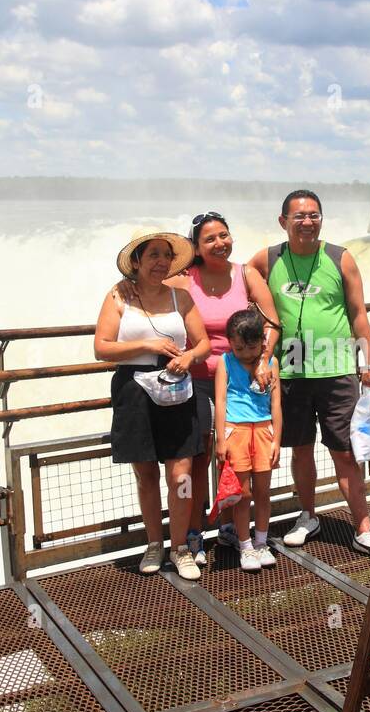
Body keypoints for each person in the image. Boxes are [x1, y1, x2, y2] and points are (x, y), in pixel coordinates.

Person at [247, 190, 370, 557]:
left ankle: (364, 526)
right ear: (283, 222)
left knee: (345, 453)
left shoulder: (340, 258)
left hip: (336, 371)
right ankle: (308, 515)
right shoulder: (268, 258)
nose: (307, 222)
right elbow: (234, 281)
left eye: (314, 215)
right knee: (300, 450)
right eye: (299, 216)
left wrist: (368, 364)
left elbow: (358, 314)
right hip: (288, 374)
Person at [164, 212, 280, 566]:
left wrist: (263, 360)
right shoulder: (185, 280)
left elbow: (273, 322)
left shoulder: (247, 274)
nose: (220, 243)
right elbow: (157, 299)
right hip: (198, 379)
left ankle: (233, 528)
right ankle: (195, 532)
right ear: (196, 247)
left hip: (244, 380)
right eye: (210, 239)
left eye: (224, 235)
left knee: (238, 456)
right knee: (200, 457)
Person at [95, 232, 211, 580]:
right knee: (146, 476)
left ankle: (180, 548)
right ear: (137, 262)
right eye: (153, 255)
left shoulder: (182, 298)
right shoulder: (119, 296)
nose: (161, 261)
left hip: (177, 386)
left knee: (182, 475)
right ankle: (154, 544)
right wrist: (149, 344)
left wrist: (188, 356)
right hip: (133, 389)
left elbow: (203, 343)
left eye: (166, 255)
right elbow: (102, 347)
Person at [214, 308, 281, 572]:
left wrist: (277, 438)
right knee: (242, 494)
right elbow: (220, 401)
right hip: (235, 431)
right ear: (230, 342)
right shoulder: (225, 362)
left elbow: (276, 405)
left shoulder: (272, 363)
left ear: (262, 343)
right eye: (239, 348)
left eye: (251, 348)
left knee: (263, 492)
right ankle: (245, 546)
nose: (245, 354)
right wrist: (221, 439)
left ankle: (262, 542)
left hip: (264, 430)